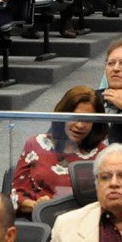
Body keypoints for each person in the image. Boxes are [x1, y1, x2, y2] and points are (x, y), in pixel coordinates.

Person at [11, 86, 108, 216]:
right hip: (41, 219)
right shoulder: (35, 144)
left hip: (85, 220)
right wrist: (36, 206)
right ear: (62, 115)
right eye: (75, 117)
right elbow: (16, 194)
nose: (80, 125)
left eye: (87, 119)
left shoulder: (103, 154)